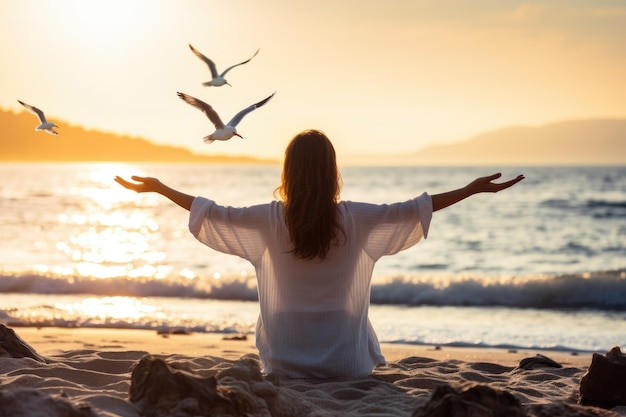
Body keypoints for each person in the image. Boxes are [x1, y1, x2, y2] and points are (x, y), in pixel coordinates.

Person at [115, 129, 524, 379]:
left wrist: (161, 189)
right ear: (332, 171)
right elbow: (416, 207)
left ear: (287, 172)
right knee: (360, 330)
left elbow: (212, 212)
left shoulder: (266, 219)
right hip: (348, 363)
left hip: (283, 360)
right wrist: (469, 190)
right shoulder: (357, 218)